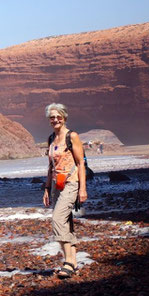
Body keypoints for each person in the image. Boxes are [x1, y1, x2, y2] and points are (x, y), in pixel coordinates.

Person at [42, 103, 87, 279]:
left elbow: (81, 163)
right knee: (66, 222)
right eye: (52, 117)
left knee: (58, 219)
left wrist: (82, 188)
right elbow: (50, 166)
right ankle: (73, 261)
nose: (55, 120)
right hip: (55, 185)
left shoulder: (72, 136)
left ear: (64, 117)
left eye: (58, 116)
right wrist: (46, 188)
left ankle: (68, 261)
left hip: (70, 183)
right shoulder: (51, 138)